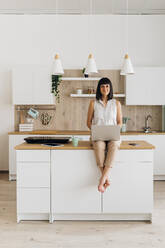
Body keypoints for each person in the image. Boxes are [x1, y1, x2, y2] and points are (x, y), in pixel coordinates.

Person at [87, 77, 122, 193]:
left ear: (110, 88)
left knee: (114, 145)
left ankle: (102, 179)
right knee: (98, 146)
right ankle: (105, 178)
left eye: (107, 86)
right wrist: (94, 130)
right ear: (99, 88)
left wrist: (116, 129)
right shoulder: (93, 103)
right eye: (102, 86)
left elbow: (120, 122)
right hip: (98, 136)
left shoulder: (116, 103)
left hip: (112, 135)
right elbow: (88, 122)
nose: (105, 88)